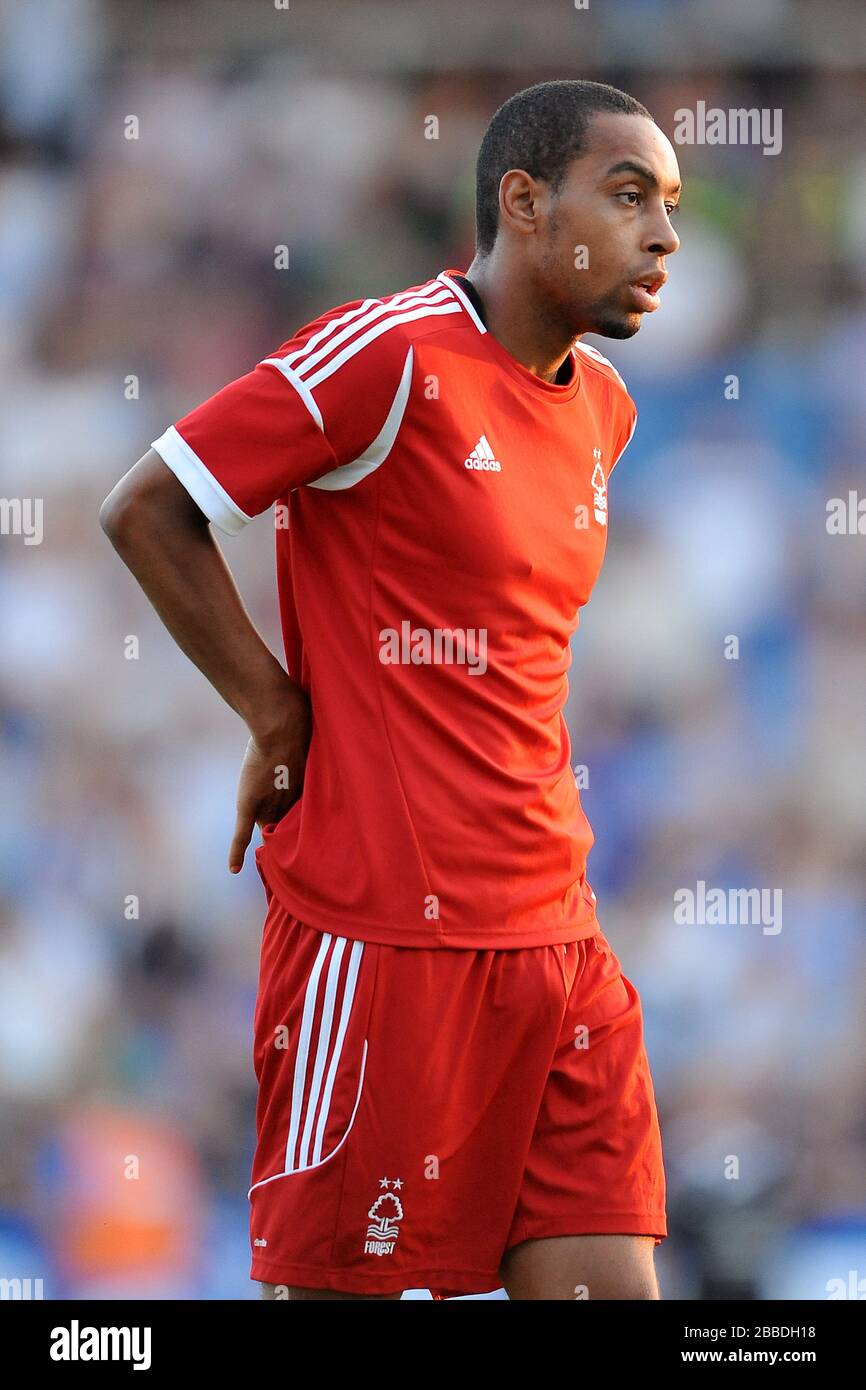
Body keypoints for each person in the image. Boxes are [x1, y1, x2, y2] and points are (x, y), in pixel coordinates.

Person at [99, 78, 681, 1301]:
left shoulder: (607, 412)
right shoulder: (386, 351)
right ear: (523, 203)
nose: (663, 234)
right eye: (627, 195)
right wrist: (273, 707)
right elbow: (149, 507)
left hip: (556, 941)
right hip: (382, 940)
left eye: (669, 204)